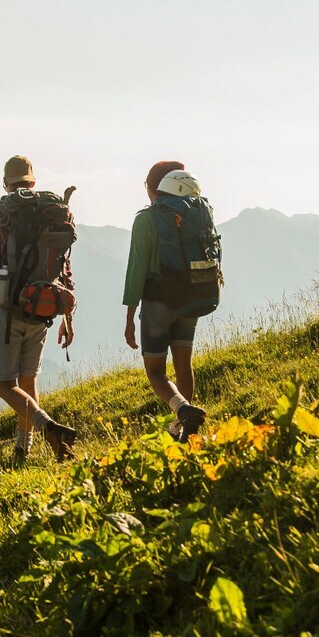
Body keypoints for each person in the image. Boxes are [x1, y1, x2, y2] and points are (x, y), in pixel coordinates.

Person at [0, 154, 81, 463]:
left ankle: (48, 428)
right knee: (28, 382)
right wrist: (67, 318)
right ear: (32, 182)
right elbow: (64, 269)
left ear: (5, 183)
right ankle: (24, 450)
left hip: (4, 308)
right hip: (42, 308)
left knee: (4, 386)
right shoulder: (52, 213)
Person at [123, 159, 222, 441]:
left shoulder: (146, 219)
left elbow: (136, 270)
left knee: (156, 371)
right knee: (183, 365)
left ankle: (182, 410)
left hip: (159, 302)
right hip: (192, 296)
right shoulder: (198, 213)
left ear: (155, 187)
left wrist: (129, 317)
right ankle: (183, 431)